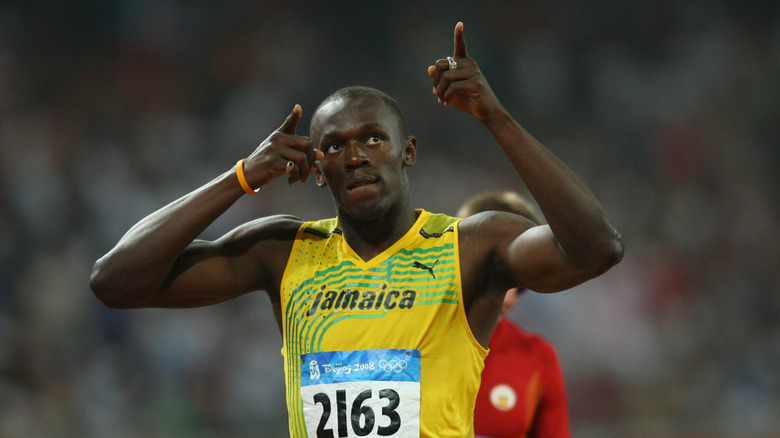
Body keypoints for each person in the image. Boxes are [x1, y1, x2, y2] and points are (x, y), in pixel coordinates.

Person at [90, 21, 623, 438]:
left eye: (374, 139)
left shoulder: (470, 246)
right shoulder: (283, 251)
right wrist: (241, 178)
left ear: (407, 152)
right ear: (318, 171)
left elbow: (597, 248)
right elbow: (114, 281)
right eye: (336, 146)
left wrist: (496, 118)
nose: (357, 156)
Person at [458, 191, 570, 438]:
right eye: (495, 275)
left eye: (519, 284)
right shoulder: (409, 339)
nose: (508, 298)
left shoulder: (538, 357)